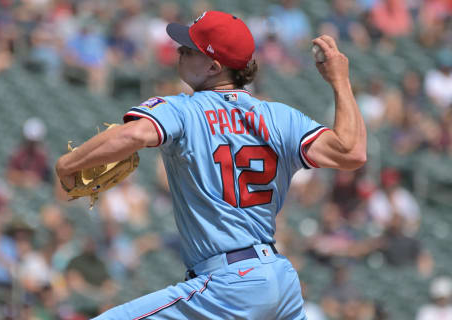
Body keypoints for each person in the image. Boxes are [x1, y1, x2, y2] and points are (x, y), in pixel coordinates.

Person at [56, 11, 366, 320]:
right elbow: (351, 152)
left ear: (214, 66)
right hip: (280, 283)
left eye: (189, 50)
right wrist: (340, 81)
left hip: (228, 286)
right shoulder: (281, 117)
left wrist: (67, 164)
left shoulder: (183, 110)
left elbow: (135, 133)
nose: (179, 52)